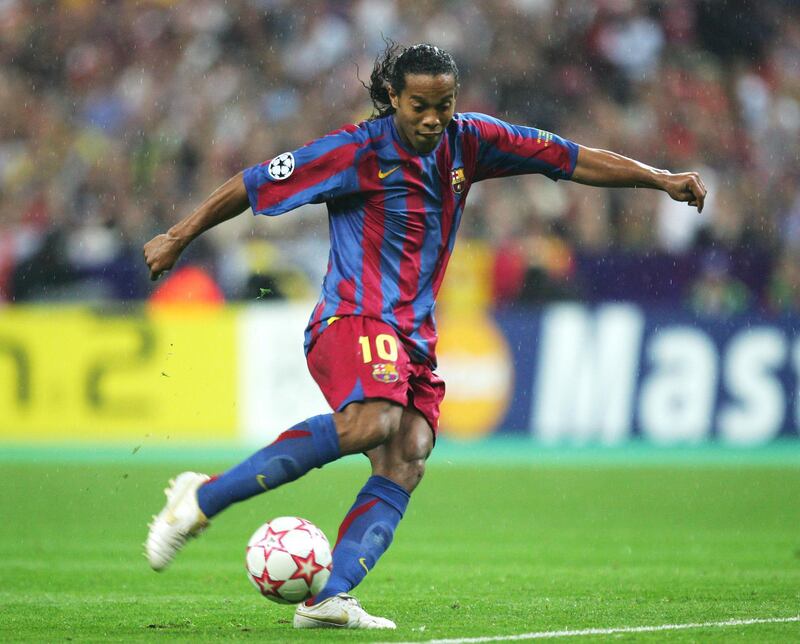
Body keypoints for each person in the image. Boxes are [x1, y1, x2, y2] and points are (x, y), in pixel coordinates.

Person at [143, 43, 706, 630]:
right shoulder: (355, 151)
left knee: (407, 453)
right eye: (420, 105)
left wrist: (659, 178)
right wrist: (178, 237)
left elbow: (568, 158)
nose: (433, 118)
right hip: (351, 319)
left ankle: (328, 599)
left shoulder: (471, 140)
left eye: (444, 104)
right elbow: (253, 183)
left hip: (411, 338)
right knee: (374, 420)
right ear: (393, 98)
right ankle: (201, 500)